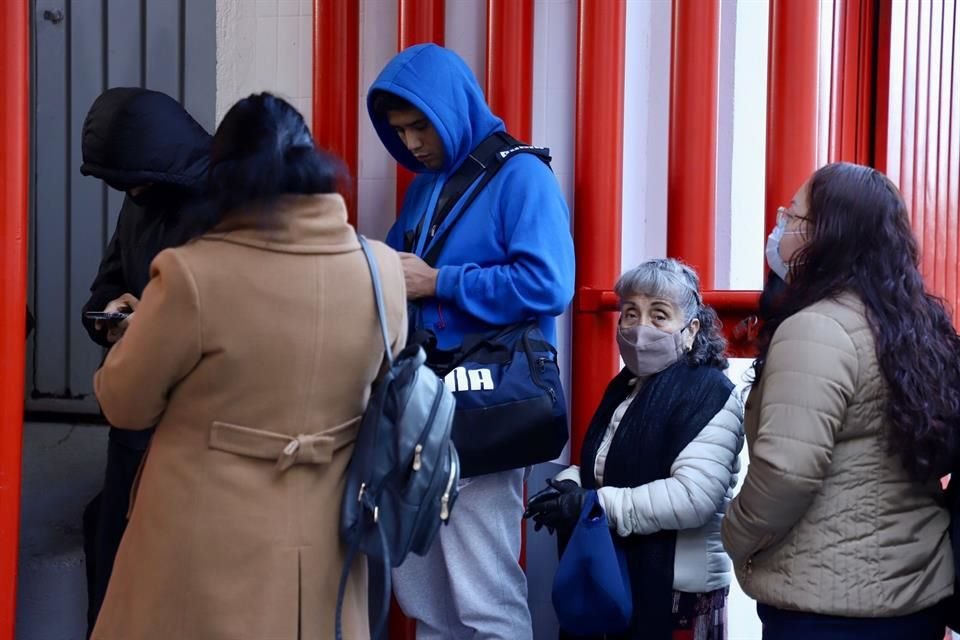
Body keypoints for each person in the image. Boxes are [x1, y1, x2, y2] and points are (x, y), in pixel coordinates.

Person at [89, 93, 406, 640]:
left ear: (225, 178)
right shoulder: (380, 271)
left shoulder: (193, 276)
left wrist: (130, 337)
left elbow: (126, 404)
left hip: (204, 547)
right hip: (330, 542)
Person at [367, 44, 575, 639]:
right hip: (424, 405)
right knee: (426, 594)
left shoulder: (522, 177)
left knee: (483, 595)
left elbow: (548, 283)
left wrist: (438, 282)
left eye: (419, 125)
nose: (410, 143)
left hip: (483, 410)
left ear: (452, 108)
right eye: (399, 130)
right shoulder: (423, 188)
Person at [721, 162, 958, 640]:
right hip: (915, 592)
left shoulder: (816, 329)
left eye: (794, 217)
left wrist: (734, 533)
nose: (781, 227)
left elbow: (786, 472)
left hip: (829, 606)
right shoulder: (915, 324)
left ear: (830, 236)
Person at [525, 258, 744, 640]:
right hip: (617, 576)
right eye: (630, 313)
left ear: (691, 330)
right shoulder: (626, 388)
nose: (640, 328)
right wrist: (567, 483)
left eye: (659, 315)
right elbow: (604, 464)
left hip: (678, 596)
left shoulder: (711, 393)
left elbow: (693, 497)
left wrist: (594, 505)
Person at [77, 86, 212, 635]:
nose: (126, 190)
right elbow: (105, 288)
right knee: (109, 546)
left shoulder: (224, 207)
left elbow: (227, 322)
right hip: (135, 414)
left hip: (191, 428)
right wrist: (107, 317)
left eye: (130, 180)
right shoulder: (142, 193)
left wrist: (151, 320)